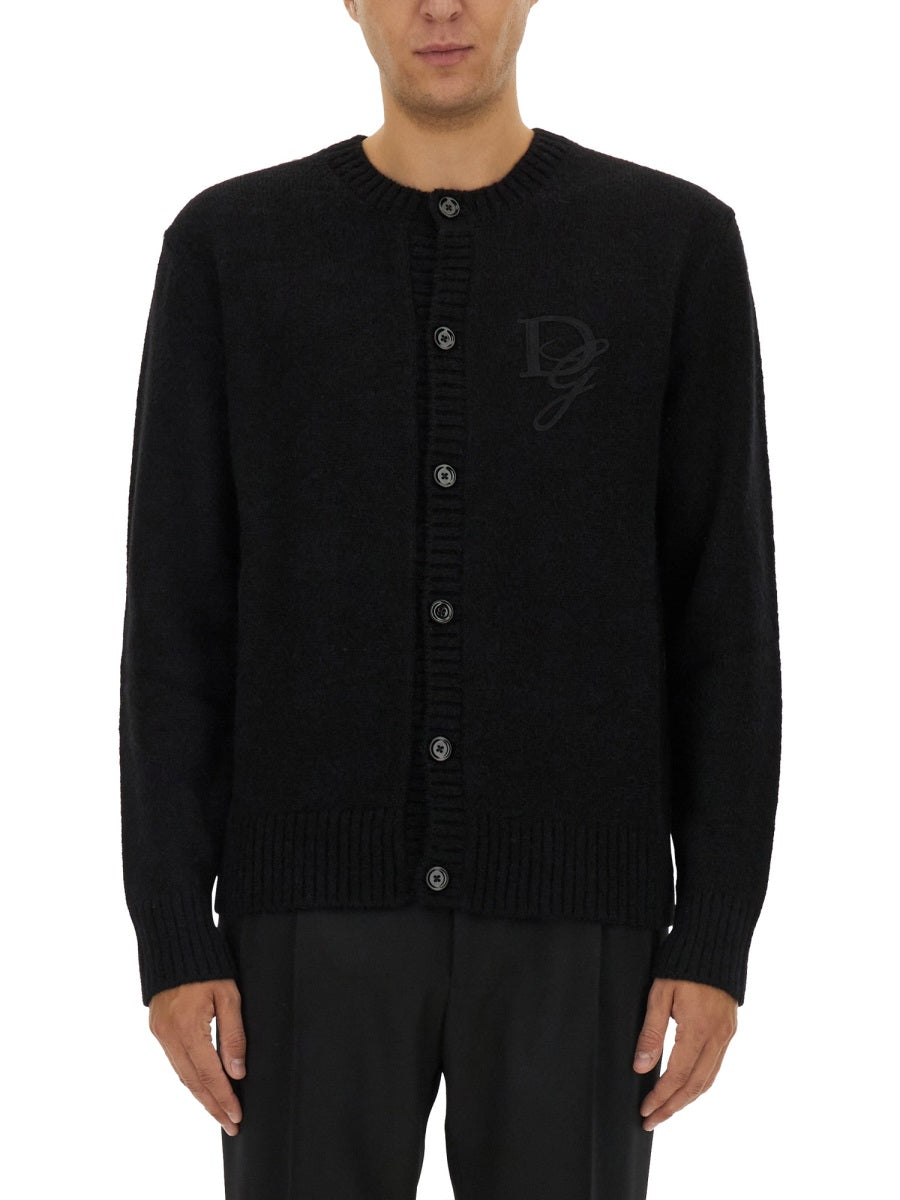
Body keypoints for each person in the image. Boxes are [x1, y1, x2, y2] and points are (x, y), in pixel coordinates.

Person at [118, 1, 782, 1197]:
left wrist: (717, 931)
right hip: (302, 921)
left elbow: (724, 619)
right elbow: (175, 618)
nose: (440, 5)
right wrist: (171, 930)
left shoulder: (669, 244)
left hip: (583, 916)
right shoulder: (231, 248)